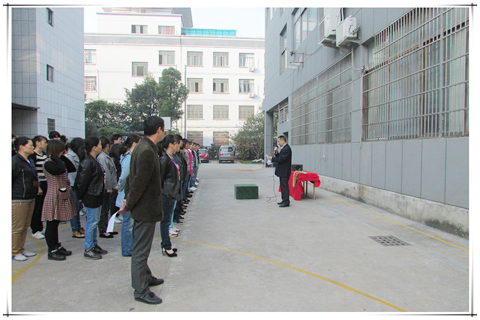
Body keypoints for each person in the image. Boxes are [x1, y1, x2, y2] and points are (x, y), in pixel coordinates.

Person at [125, 116, 165, 305]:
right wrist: (129, 204)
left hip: (144, 207)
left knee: (143, 247)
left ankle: (146, 277)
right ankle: (141, 289)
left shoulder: (143, 147)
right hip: (144, 208)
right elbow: (138, 182)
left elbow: (131, 179)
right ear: (159, 129)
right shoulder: (147, 151)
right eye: (163, 129)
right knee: (140, 250)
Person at [41, 140, 77, 260]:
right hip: (53, 194)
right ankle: (52, 250)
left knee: (56, 222)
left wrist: (61, 157)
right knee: (51, 223)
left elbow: (71, 168)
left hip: (61, 193)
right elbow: (60, 170)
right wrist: (56, 157)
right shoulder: (48, 163)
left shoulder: (58, 161)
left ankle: (57, 246)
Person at [74, 137, 108, 260]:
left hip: (96, 195)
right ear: (94, 147)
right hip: (91, 196)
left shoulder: (93, 160)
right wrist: (80, 196)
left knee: (94, 221)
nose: (100, 146)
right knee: (91, 222)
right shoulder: (87, 162)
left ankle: (93, 245)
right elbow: (82, 181)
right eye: (99, 144)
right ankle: (88, 248)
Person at [12, 137, 38, 261]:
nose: (32, 147)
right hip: (18, 198)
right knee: (17, 227)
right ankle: (14, 251)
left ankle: (21, 249)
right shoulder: (15, 161)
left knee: (25, 226)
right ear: (21, 147)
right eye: (30, 145)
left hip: (29, 197)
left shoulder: (29, 161)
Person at [115, 134, 141, 256]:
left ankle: (130, 247)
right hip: (126, 194)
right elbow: (124, 176)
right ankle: (127, 249)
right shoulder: (129, 158)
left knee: (131, 222)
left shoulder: (131, 156)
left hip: (129, 193)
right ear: (135, 144)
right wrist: (120, 188)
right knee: (128, 223)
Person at [159, 135, 182, 257]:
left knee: (167, 220)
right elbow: (160, 179)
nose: (178, 145)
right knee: (165, 221)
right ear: (170, 145)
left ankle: (167, 244)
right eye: (176, 143)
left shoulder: (171, 158)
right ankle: (166, 246)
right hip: (167, 193)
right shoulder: (164, 159)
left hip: (172, 192)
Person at [97, 137, 118, 238]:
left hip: (109, 186)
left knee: (106, 208)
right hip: (106, 187)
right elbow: (106, 173)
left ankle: (107, 228)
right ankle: (103, 229)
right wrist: (109, 186)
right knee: (104, 209)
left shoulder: (106, 156)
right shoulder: (102, 157)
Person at [28, 135, 48, 240]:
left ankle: (40, 227)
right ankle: (35, 229)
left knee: (42, 207)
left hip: (46, 183)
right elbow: (33, 173)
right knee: (36, 207)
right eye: (44, 142)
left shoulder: (44, 155)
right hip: (38, 185)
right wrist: (38, 186)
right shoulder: (32, 156)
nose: (45, 144)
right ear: (38, 143)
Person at [67, 138, 85, 238]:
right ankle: (75, 228)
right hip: (73, 186)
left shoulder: (77, 156)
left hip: (78, 186)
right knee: (74, 209)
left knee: (78, 208)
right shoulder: (71, 156)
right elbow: (73, 174)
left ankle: (78, 227)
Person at [269, 135, 292, 208]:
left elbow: (281, 159)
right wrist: (276, 151)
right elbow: (279, 156)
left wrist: (273, 159)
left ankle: (286, 201)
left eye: (279, 141)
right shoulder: (283, 149)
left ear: (283, 141)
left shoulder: (287, 149)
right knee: (282, 186)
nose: (278, 143)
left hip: (285, 171)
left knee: (285, 186)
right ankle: (284, 200)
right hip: (282, 171)